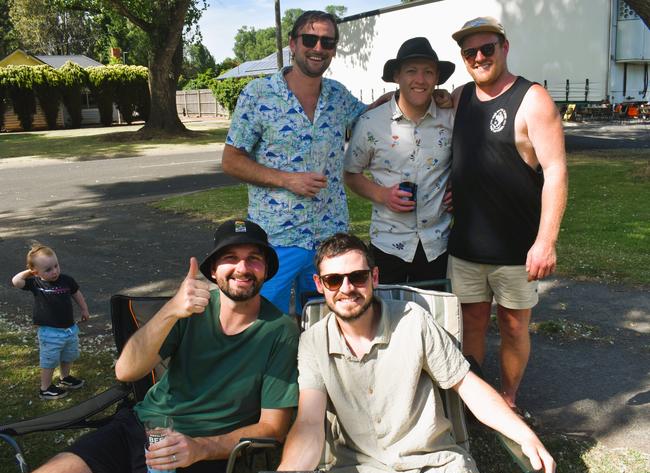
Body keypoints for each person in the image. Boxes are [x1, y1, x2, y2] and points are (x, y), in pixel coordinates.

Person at [16, 219, 299, 473]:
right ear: (213, 269)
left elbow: (272, 427)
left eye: (254, 258)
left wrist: (201, 448)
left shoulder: (280, 331)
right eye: (230, 258)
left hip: (198, 448)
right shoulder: (189, 310)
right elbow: (126, 371)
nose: (242, 267)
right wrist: (171, 309)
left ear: (266, 269)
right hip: (140, 427)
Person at [276, 233, 556, 473]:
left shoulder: (413, 320)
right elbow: (310, 424)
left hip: (436, 468)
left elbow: (468, 386)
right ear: (319, 284)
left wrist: (525, 435)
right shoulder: (313, 342)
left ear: (374, 277)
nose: (346, 288)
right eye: (334, 280)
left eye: (357, 277)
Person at [222, 10, 388, 315]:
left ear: (334, 50)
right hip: (277, 240)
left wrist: (422, 95)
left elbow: (375, 116)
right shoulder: (258, 94)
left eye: (327, 42)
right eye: (310, 39)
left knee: (325, 323)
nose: (318, 48)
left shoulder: (339, 97)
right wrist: (287, 179)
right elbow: (231, 161)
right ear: (293, 44)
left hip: (329, 239)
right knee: (262, 322)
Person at [447, 17, 568, 414]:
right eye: (470, 52)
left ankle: (509, 398)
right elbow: (416, 99)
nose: (479, 57)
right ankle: (475, 400)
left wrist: (545, 241)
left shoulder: (533, 99)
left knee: (515, 326)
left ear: (505, 48)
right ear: (463, 58)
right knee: (472, 322)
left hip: (517, 249)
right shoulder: (461, 96)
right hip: (465, 245)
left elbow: (555, 171)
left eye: (487, 49)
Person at [344, 37, 455, 284]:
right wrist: (382, 195)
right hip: (388, 246)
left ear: (437, 78)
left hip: (437, 245)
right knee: (386, 317)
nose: (420, 79)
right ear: (397, 76)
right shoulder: (371, 123)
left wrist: (459, 188)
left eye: (428, 72)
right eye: (411, 71)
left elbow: (471, 162)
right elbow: (350, 173)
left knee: (433, 318)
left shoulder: (451, 120)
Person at [12, 244, 90, 400]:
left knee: (68, 355)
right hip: (49, 332)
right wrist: (30, 272)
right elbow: (16, 281)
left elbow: (76, 294)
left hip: (69, 329)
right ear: (36, 272)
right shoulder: (35, 283)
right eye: (48, 269)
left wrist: (84, 309)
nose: (54, 271)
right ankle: (45, 388)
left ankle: (65, 378)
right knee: (49, 359)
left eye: (56, 266)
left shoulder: (66, 280)